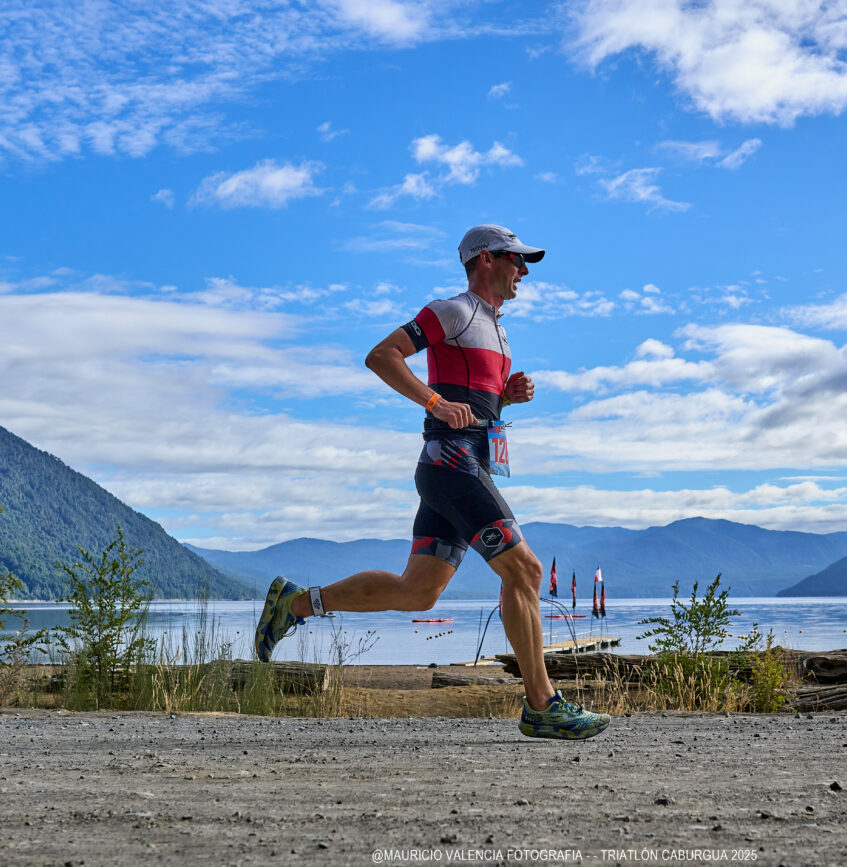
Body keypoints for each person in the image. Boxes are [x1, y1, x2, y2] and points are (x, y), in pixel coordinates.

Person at [253, 224, 610, 740]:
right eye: (516, 260)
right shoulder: (453, 310)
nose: (524, 271)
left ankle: (297, 603)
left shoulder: (494, 326)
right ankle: (543, 705)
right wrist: (434, 402)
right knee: (526, 572)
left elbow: (472, 399)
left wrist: (505, 396)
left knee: (419, 592)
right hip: (451, 464)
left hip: (463, 465)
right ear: (485, 259)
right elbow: (382, 356)